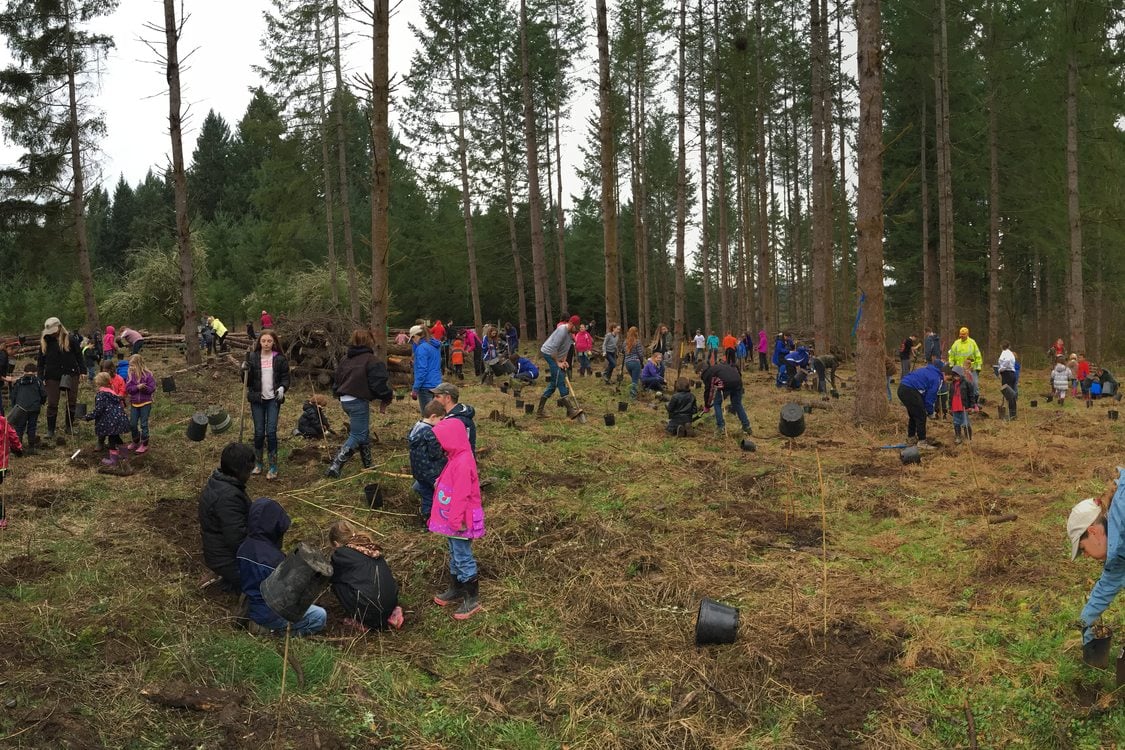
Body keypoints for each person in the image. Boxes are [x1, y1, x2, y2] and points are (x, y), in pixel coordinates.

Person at [238, 498, 327, 637]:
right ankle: (273, 632)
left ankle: (256, 621)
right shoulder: (274, 559)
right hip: (270, 614)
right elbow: (286, 598)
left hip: (252, 604)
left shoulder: (244, 547)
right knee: (320, 616)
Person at [429, 418, 486, 621]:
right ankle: (456, 588)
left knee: (462, 555)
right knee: (454, 552)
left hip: (460, 521)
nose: (439, 444)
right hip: (453, 519)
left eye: (442, 440)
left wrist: (455, 521)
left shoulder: (462, 462)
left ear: (451, 440)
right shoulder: (456, 456)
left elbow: (462, 495)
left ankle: (472, 598)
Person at [1068, 468, 1125, 651]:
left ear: (1093, 532)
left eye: (1083, 548)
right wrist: (1083, 623)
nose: (1085, 555)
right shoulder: (1117, 540)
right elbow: (1110, 580)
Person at [327, 329, 394, 479]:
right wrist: (387, 397)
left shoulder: (346, 359)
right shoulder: (372, 361)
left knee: (363, 432)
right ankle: (335, 464)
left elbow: (337, 379)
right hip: (357, 401)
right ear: (369, 341)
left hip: (345, 400)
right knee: (358, 434)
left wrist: (337, 393)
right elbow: (379, 383)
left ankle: (368, 464)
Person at [198, 442, 255, 592]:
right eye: (248, 470)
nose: (250, 475)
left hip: (218, 551)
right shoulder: (228, 497)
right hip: (225, 558)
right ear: (237, 470)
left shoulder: (220, 482)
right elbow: (237, 540)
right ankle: (228, 579)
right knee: (265, 580)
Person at [328, 520, 403, 632]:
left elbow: (333, 576)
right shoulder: (369, 546)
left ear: (336, 543)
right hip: (391, 602)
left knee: (336, 583)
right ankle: (391, 613)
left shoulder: (341, 554)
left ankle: (362, 620)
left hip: (372, 613)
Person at [244, 330, 290, 479]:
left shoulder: (280, 359)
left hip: (273, 400)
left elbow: (285, 377)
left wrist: (283, 387)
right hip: (257, 399)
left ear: (274, 342)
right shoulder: (253, 357)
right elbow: (247, 381)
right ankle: (258, 464)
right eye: (263, 341)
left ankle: (273, 466)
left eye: (269, 341)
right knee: (258, 433)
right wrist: (243, 370)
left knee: (270, 432)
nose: (266, 344)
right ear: (259, 342)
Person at [37, 317, 85, 440]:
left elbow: (79, 356)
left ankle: (69, 427)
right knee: (52, 403)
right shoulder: (45, 341)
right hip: (52, 375)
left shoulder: (71, 339)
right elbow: (40, 362)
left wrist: (83, 371)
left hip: (71, 373)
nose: (52, 333)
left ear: (59, 327)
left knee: (71, 401)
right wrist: (40, 377)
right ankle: (50, 430)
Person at [409, 401, 448, 522]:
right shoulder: (431, 432)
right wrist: (444, 453)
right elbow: (435, 454)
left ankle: (425, 515)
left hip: (418, 471)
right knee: (435, 495)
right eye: (441, 419)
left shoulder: (416, 427)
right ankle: (433, 518)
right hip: (431, 471)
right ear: (433, 417)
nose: (442, 422)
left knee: (426, 493)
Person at [537, 315, 579, 418]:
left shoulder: (570, 334)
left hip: (556, 356)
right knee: (559, 379)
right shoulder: (562, 331)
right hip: (549, 354)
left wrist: (563, 361)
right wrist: (558, 363)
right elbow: (553, 350)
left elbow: (565, 349)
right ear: (571, 324)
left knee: (553, 383)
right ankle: (570, 410)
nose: (577, 330)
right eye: (576, 327)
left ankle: (539, 411)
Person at [897, 360, 946, 448]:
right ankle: (922, 441)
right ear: (942, 371)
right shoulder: (936, 378)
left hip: (902, 387)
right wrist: (931, 413)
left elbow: (923, 393)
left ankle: (911, 437)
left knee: (914, 414)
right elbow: (930, 398)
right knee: (921, 415)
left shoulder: (926, 370)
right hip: (910, 390)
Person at [699, 359, 753, 438]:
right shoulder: (716, 368)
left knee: (717, 403)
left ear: (702, 370)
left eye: (698, 373)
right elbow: (720, 379)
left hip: (727, 383)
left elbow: (709, 391)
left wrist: (707, 405)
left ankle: (720, 427)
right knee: (737, 404)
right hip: (738, 380)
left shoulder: (707, 374)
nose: (699, 375)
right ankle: (746, 426)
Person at [86, 372, 130, 467]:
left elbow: (99, 410)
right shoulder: (113, 393)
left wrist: (88, 417)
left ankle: (113, 461)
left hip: (110, 421)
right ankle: (124, 456)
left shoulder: (101, 395)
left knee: (112, 440)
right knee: (116, 437)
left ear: (98, 383)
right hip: (120, 418)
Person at [9, 362, 46, 453]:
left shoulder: (18, 382)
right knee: (32, 427)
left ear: (24, 371)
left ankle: (18, 446)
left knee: (20, 427)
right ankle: (31, 447)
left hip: (20, 408)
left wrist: (14, 406)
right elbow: (43, 394)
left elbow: (13, 396)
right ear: (35, 372)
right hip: (34, 408)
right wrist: (41, 402)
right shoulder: (38, 381)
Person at [433, 382, 476, 455]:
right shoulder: (447, 416)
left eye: (437, 396)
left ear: (448, 398)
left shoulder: (457, 421)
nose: (434, 399)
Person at [125, 354, 156, 454]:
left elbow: (152, 389)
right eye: (130, 365)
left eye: (132, 365)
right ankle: (135, 440)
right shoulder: (130, 376)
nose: (131, 367)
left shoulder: (148, 375)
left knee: (144, 424)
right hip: (134, 403)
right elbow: (129, 389)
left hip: (145, 402)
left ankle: (144, 444)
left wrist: (144, 388)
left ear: (138, 365)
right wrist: (137, 387)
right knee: (132, 424)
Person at [410, 323, 442, 413]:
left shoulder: (421, 348)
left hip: (425, 387)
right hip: (437, 384)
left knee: (428, 416)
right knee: (437, 415)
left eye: (412, 338)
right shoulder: (434, 346)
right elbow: (432, 364)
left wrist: (415, 389)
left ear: (416, 336)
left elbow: (422, 370)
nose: (413, 341)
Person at [0, 412, 23, 529]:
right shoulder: (3, 420)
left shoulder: (3, 421)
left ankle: (1, 518)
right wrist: (18, 448)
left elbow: (11, 434)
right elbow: (12, 434)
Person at [950, 366, 972, 444]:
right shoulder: (952, 384)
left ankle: (968, 438)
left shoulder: (966, 383)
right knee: (956, 422)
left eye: (957, 375)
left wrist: (971, 406)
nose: (956, 378)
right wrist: (950, 407)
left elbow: (970, 395)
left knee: (965, 422)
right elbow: (950, 396)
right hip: (955, 406)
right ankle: (958, 436)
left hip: (963, 406)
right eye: (954, 376)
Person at [996, 341, 1018, 419]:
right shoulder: (1010, 353)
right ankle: (1013, 413)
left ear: (1001, 346)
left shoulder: (1005, 353)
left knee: (1009, 393)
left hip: (1007, 374)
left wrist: (1001, 369)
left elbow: (1007, 361)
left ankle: (1012, 414)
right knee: (1010, 393)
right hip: (1011, 374)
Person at [622, 326, 644, 400]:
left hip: (627, 363)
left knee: (635, 378)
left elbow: (624, 352)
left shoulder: (625, 342)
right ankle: (632, 397)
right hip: (635, 363)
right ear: (636, 333)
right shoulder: (637, 342)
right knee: (635, 381)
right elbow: (640, 354)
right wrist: (642, 361)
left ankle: (640, 390)